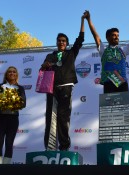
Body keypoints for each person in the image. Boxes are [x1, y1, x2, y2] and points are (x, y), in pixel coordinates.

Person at [40, 12, 86, 151]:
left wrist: (83, 20)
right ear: (56, 42)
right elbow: (42, 69)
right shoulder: (50, 55)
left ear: (67, 44)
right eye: (59, 40)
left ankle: (64, 147)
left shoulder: (71, 53)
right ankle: (49, 147)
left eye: (63, 41)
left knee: (63, 117)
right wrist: (45, 66)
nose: (61, 42)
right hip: (51, 89)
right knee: (50, 116)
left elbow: (81, 39)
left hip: (66, 88)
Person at [84, 10, 129, 93]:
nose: (116, 37)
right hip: (108, 82)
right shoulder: (103, 50)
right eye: (114, 35)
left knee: (124, 106)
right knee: (109, 106)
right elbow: (95, 35)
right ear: (107, 38)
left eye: (118, 35)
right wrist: (88, 19)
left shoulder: (123, 50)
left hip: (122, 82)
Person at [0, 66, 26, 164]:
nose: (12, 73)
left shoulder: (20, 88)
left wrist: (12, 100)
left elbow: (23, 103)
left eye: (14, 72)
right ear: (6, 75)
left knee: (9, 144)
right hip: (0, 118)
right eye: (10, 72)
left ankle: (5, 168)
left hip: (13, 119)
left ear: (16, 75)